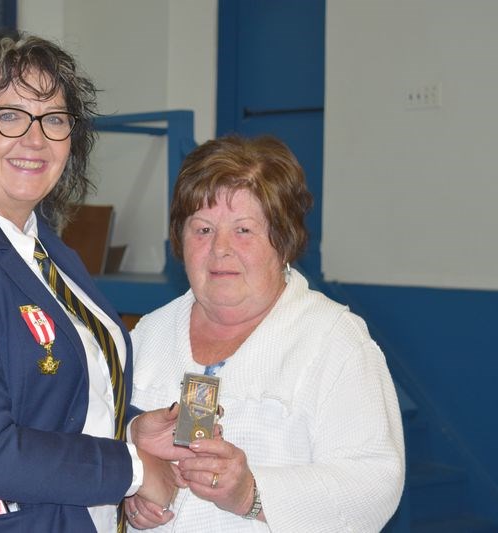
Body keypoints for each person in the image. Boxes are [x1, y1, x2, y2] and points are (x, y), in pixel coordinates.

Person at [0, 30, 184, 533]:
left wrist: (131, 427)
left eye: (55, 119)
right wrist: (133, 470)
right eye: (10, 115)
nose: (36, 138)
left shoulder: (46, 246)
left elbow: (55, 396)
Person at [125, 135, 405, 532]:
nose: (220, 249)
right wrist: (131, 482)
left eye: (243, 230)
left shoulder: (334, 341)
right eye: (202, 229)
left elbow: (374, 483)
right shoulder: (148, 334)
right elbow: (92, 437)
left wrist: (252, 493)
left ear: (284, 239)